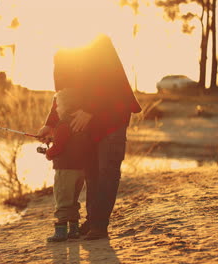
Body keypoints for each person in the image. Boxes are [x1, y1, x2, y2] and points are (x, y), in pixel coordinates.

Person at [38, 34, 142, 240]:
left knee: (107, 169)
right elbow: (64, 94)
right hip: (90, 123)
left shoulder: (99, 44)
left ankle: (99, 225)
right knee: (92, 171)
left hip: (113, 116)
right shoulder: (62, 53)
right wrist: (50, 124)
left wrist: (89, 109)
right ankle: (93, 219)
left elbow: (110, 82)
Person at [43, 49, 93, 242]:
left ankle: (61, 232)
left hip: (64, 169)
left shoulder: (63, 126)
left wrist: (49, 154)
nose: (57, 110)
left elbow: (59, 147)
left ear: (65, 107)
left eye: (59, 107)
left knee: (62, 200)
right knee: (73, 199)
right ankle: (74, 229)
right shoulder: (82, 125)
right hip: (80, 169)